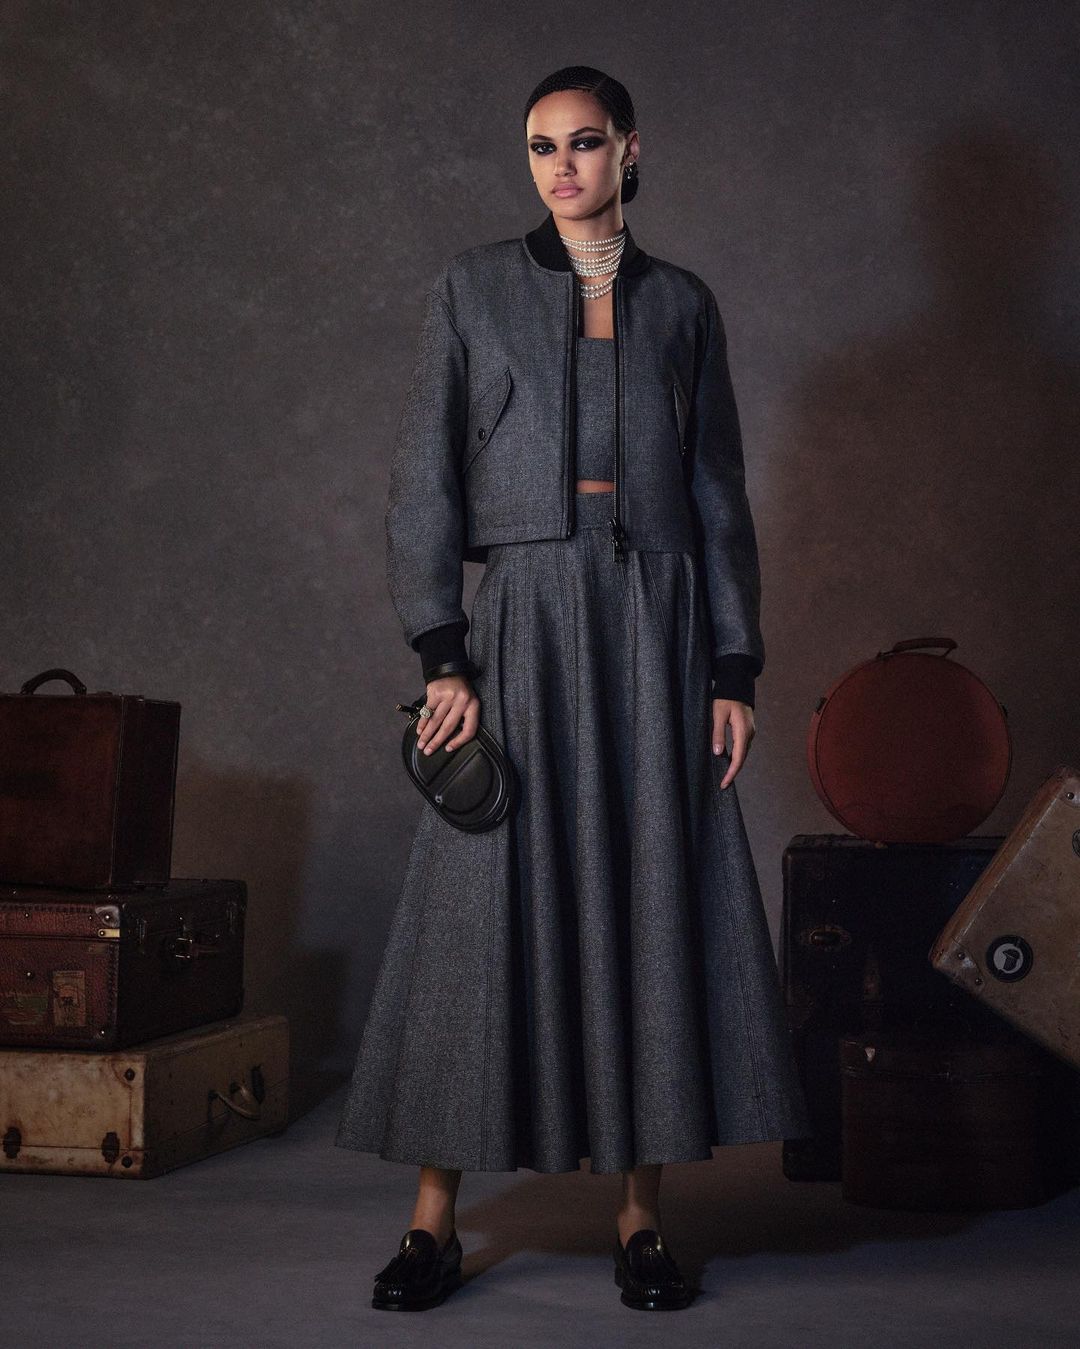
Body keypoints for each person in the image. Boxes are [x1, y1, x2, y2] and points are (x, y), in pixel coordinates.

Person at [335, 64, 812, 1313]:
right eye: (542, 147)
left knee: (650, 892)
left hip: (658, 623)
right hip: (525, 622)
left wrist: (735, 666)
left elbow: (719, 495)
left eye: (585, 143)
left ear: (630, 150)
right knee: (477, 906)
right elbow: (424, 480)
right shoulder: (471, 288)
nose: (562, 167)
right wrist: (444, 652)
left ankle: (642, 1218)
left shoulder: (684, 304)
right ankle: (432, 1222)